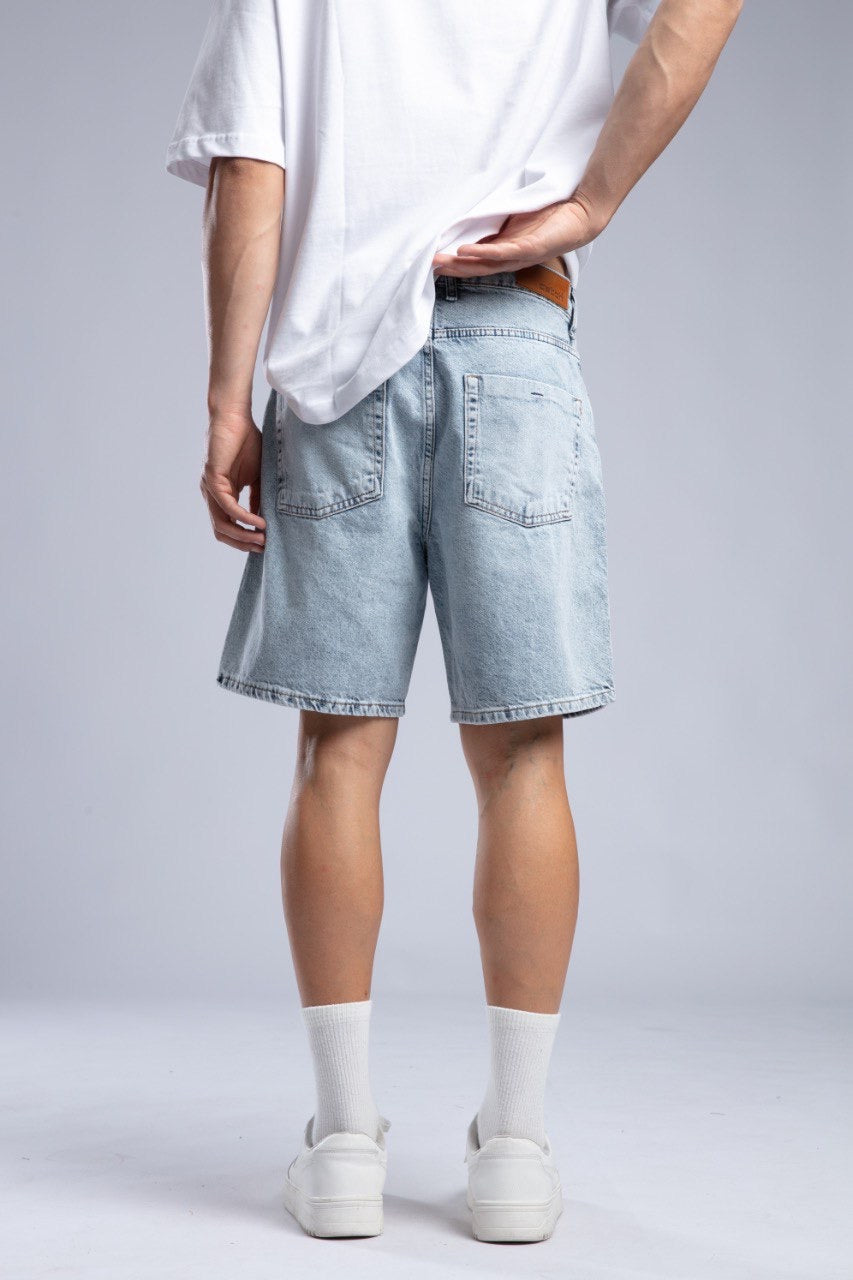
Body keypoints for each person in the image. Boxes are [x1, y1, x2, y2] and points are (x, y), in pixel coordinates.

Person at [166, 0, 742, 1244]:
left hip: (338, 365)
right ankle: (518, 1151)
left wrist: (227, 396)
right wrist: (592, 199)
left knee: (338, 748)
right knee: (524, 753)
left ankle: (342, 1145)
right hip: (516, 342)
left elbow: (251, 163)